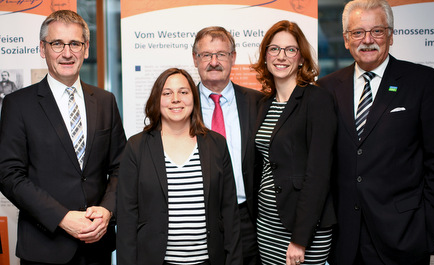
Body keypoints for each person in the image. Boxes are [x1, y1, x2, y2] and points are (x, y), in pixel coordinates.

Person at [318, 0, 434, 265]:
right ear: (346, 39)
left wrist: (427, 228)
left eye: (377, 31)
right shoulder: (326, 88)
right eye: (358, 32)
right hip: (344, 241)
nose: (368, 39)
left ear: (390, 36)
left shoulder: (422, 82)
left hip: (404, 238)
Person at [0, 10, 127, 265]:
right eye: (57, 43)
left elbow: (121, 167)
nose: (67, 53)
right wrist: (61, 217)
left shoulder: (105, 101)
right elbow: (9, 174)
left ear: (86, 49)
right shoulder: (18, 104)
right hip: (44, 248)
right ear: (42, 49)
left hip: (96, 247)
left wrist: (107, 210)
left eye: (75, 44)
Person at [116, 68, 242, 265]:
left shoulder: (216, 144)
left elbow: (230, 213)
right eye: (167, 93)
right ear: (157, 100)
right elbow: (127, 218)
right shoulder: (136, 147)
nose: (176, 99)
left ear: (194, 98)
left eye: (183, 92)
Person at [251, 20, 337, 265]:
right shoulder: (264, 104)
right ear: (266, 55)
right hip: (267, 224)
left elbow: (318, 174)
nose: (281, 56)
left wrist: (300, 238)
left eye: (290, 50)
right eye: (274, 49)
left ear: (301, 58)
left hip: (304, 227)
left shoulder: (317, 99)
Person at [192, 26, 263, 265]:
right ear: (195, 59)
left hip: (247, 218)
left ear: (233, 57)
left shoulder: (258, 102)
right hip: (196, 217)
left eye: (221, 54)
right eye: (206, 55)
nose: (214, 62)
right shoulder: (181, 104)